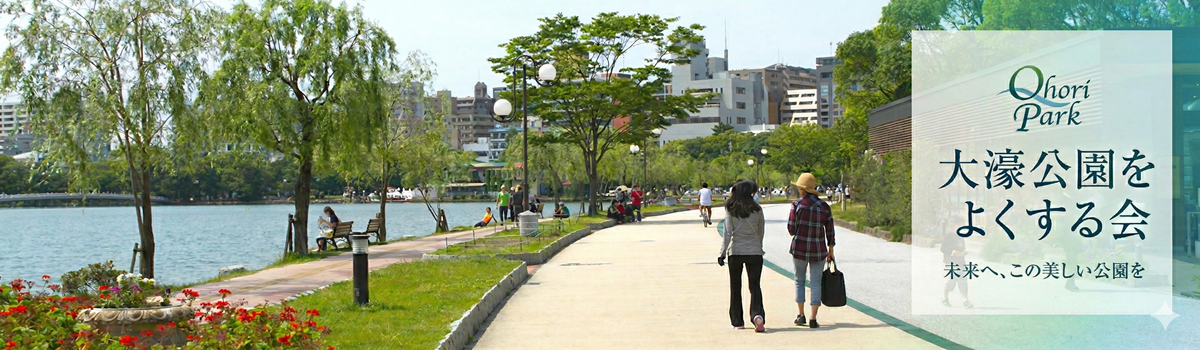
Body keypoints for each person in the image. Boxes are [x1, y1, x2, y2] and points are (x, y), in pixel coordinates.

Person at [787, 173, 836, 329]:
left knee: (799, 280)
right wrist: (831, 250)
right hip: (818, 249)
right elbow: (830, 231)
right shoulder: (824, 207)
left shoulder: (796, 205)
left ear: (802, 189)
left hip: (799, 248)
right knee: (816, 282)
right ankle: (813, 318)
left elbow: (791, 229)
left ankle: (801, 315)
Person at [718, 180, 767, 332]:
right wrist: (758, 246)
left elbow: (727, 233)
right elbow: (760, 231)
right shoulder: (757, 209)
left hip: (736, 252)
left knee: (735, 287)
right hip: (754, 252)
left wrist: (722, 253)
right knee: (755, 286)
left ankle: (737, 321)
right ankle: (757, 315)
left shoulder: (730, 209)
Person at [941, 223, 973, 308]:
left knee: (963, 280)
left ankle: (965, 300)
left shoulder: (961, 237)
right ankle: (944, 298)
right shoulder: (948, 236)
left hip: (961, 262)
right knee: (951, 281)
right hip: (951, 262)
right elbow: (943, 248)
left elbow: (962, 248)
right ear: (952, 227)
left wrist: (964, 252)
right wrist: (953, 252)